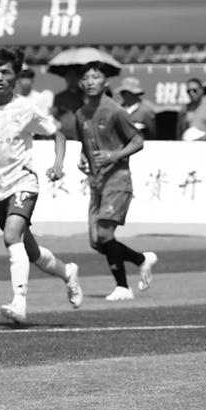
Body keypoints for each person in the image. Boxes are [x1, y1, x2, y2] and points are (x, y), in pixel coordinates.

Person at [0, 47, 83, 324]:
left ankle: (19, 303)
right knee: (31, 252)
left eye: (6, 72)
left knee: (11, 236)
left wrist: (58, 164)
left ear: (16, 75)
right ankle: (68, 272)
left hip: (24, 182)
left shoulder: (26, 108)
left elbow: (58, 135)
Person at [75, 62, 157, 301]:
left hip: (117, 180)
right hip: (96, 183)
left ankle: (123, 287)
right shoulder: (80, 114)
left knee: (104, 233)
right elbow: (85, 145)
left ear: (106, 82)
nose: (90, 81)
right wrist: (83, 158)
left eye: (95, 76)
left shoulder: (116, 111)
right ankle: (142, 259)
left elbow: (138, 141)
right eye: (86, 77)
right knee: (96, 242)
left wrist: (114, 155)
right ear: (81, 83)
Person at [51, 66, 85, 140]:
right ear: (66, 77)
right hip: (65, 136)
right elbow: (54, 116)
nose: (72, 78)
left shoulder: (85, 96)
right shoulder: (59, 97)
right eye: (69, 75)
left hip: (83, 135)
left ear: (79, 77)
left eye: (75, 75)